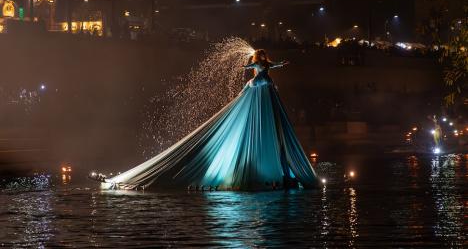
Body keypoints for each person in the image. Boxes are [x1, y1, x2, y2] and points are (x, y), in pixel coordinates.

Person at [99, 49, 318, 191]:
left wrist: (282, 63)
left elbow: (275, 64)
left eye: (261, 56)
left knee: (271, 121)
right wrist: (247, 66)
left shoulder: (267, 65)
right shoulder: (257, 66)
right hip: (259, 88)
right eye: (259, 57)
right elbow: (249, 68)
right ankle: (266, 175)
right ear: (257, 58)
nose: (260, 58)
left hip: (265, 90)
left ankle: (274, 174)